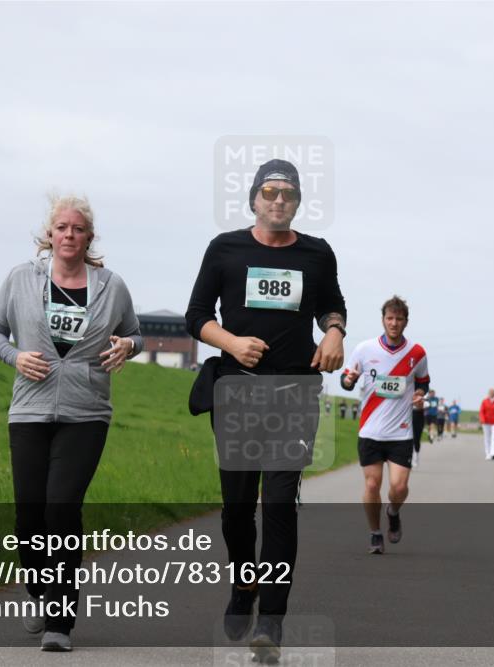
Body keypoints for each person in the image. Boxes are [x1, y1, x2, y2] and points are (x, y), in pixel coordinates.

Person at [186, 158, 346, 662]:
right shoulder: (225, 249)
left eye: (289, 194)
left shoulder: (317, 254)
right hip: (237, 391)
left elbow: (332, 305)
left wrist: (335, 332)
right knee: (236, 511)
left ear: (298, 203)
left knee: (278, 504)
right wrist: (232, 343)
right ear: (254, 198)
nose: (279, 201)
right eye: (270, 192)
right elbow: (196, 318)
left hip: (295, 394)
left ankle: (272, 623)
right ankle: (244, 586)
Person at [0, 194, 143, 651]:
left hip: (86, 412)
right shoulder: (20, 279)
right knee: (29, 512)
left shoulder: (111, 286)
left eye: (77, 228)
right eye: (61, 227)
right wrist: (16, 356)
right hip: (29, 411)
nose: (69, 235)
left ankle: (59, 619)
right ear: (48, 235)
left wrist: (126, 348)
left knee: (62, 508)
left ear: (89, 237)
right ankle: (38, 588)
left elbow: (134, 333)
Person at [341, 296, 429, 554]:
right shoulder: (365, 349)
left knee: (399, 487)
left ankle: (392, 512)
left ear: (405, 322)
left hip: (401, 432)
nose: (394, 323)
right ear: (383, 320)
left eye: (398, 319)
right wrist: (350, 380)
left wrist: (421, 394)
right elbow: (346, 381)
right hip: (370, 430)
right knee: (371, 485)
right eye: (389, 318)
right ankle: (375, 533)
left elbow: (423, 381)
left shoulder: (417, 353)